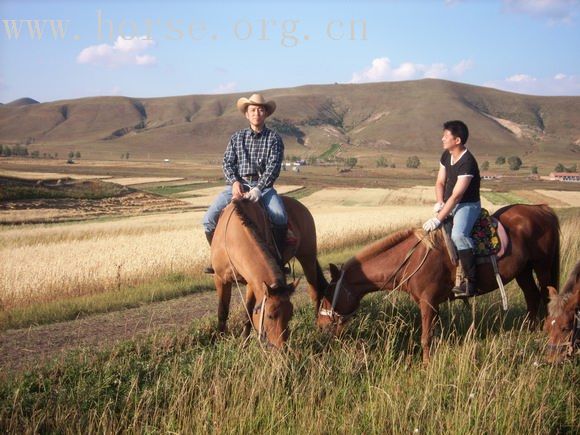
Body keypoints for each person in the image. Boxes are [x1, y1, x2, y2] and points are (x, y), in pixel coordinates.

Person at [202, 93, 288, 273]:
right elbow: (227, 163)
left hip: (263, 187)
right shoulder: (236, 138)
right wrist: (234, 183)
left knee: (280, 217)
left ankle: (278, 259)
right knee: (208, 219)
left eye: (260, 109)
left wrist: (258, 189)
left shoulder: (274, 139)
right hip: (237, 186)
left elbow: (273, 168)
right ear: (247, 115)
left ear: (265, 114)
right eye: (253, 110)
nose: (257, 113)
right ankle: (216, 259)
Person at [422, 120, 481, 297]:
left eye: (446, 136)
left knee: (458, 235)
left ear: (457, 140)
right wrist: (440, 202)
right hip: (448, 203)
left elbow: (457, 196)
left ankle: (470, 282)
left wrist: (438, 218)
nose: (442, 139)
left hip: (467, 205)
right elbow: (440, 182)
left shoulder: (467, 162)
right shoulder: (446, 155)